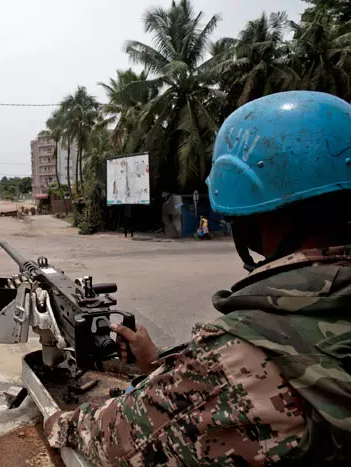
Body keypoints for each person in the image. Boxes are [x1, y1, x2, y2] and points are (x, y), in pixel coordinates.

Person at [44, 91, 351, 465]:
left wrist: (58, 420)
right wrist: (160, 364)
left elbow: (114, 439)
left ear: (247, 215)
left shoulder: (245, 355)